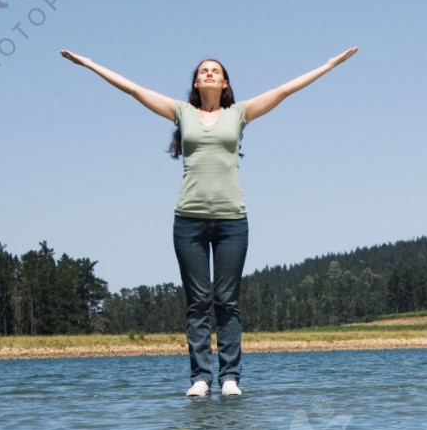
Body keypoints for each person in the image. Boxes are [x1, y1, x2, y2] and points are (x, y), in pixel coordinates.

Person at [59, 46, 359, 397]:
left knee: (227, 301)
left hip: (233, 220)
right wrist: (90, 63)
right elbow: (134, 89)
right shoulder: (181, 113)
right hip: (189, 221)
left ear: (225, 82)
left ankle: (230, 377)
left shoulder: (240, 113)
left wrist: (328, 64)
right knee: (198, 302)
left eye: (215, 70)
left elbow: (284, 90)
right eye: (203, 71)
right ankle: (201, 378)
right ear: (197, 83)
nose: (209, 74)